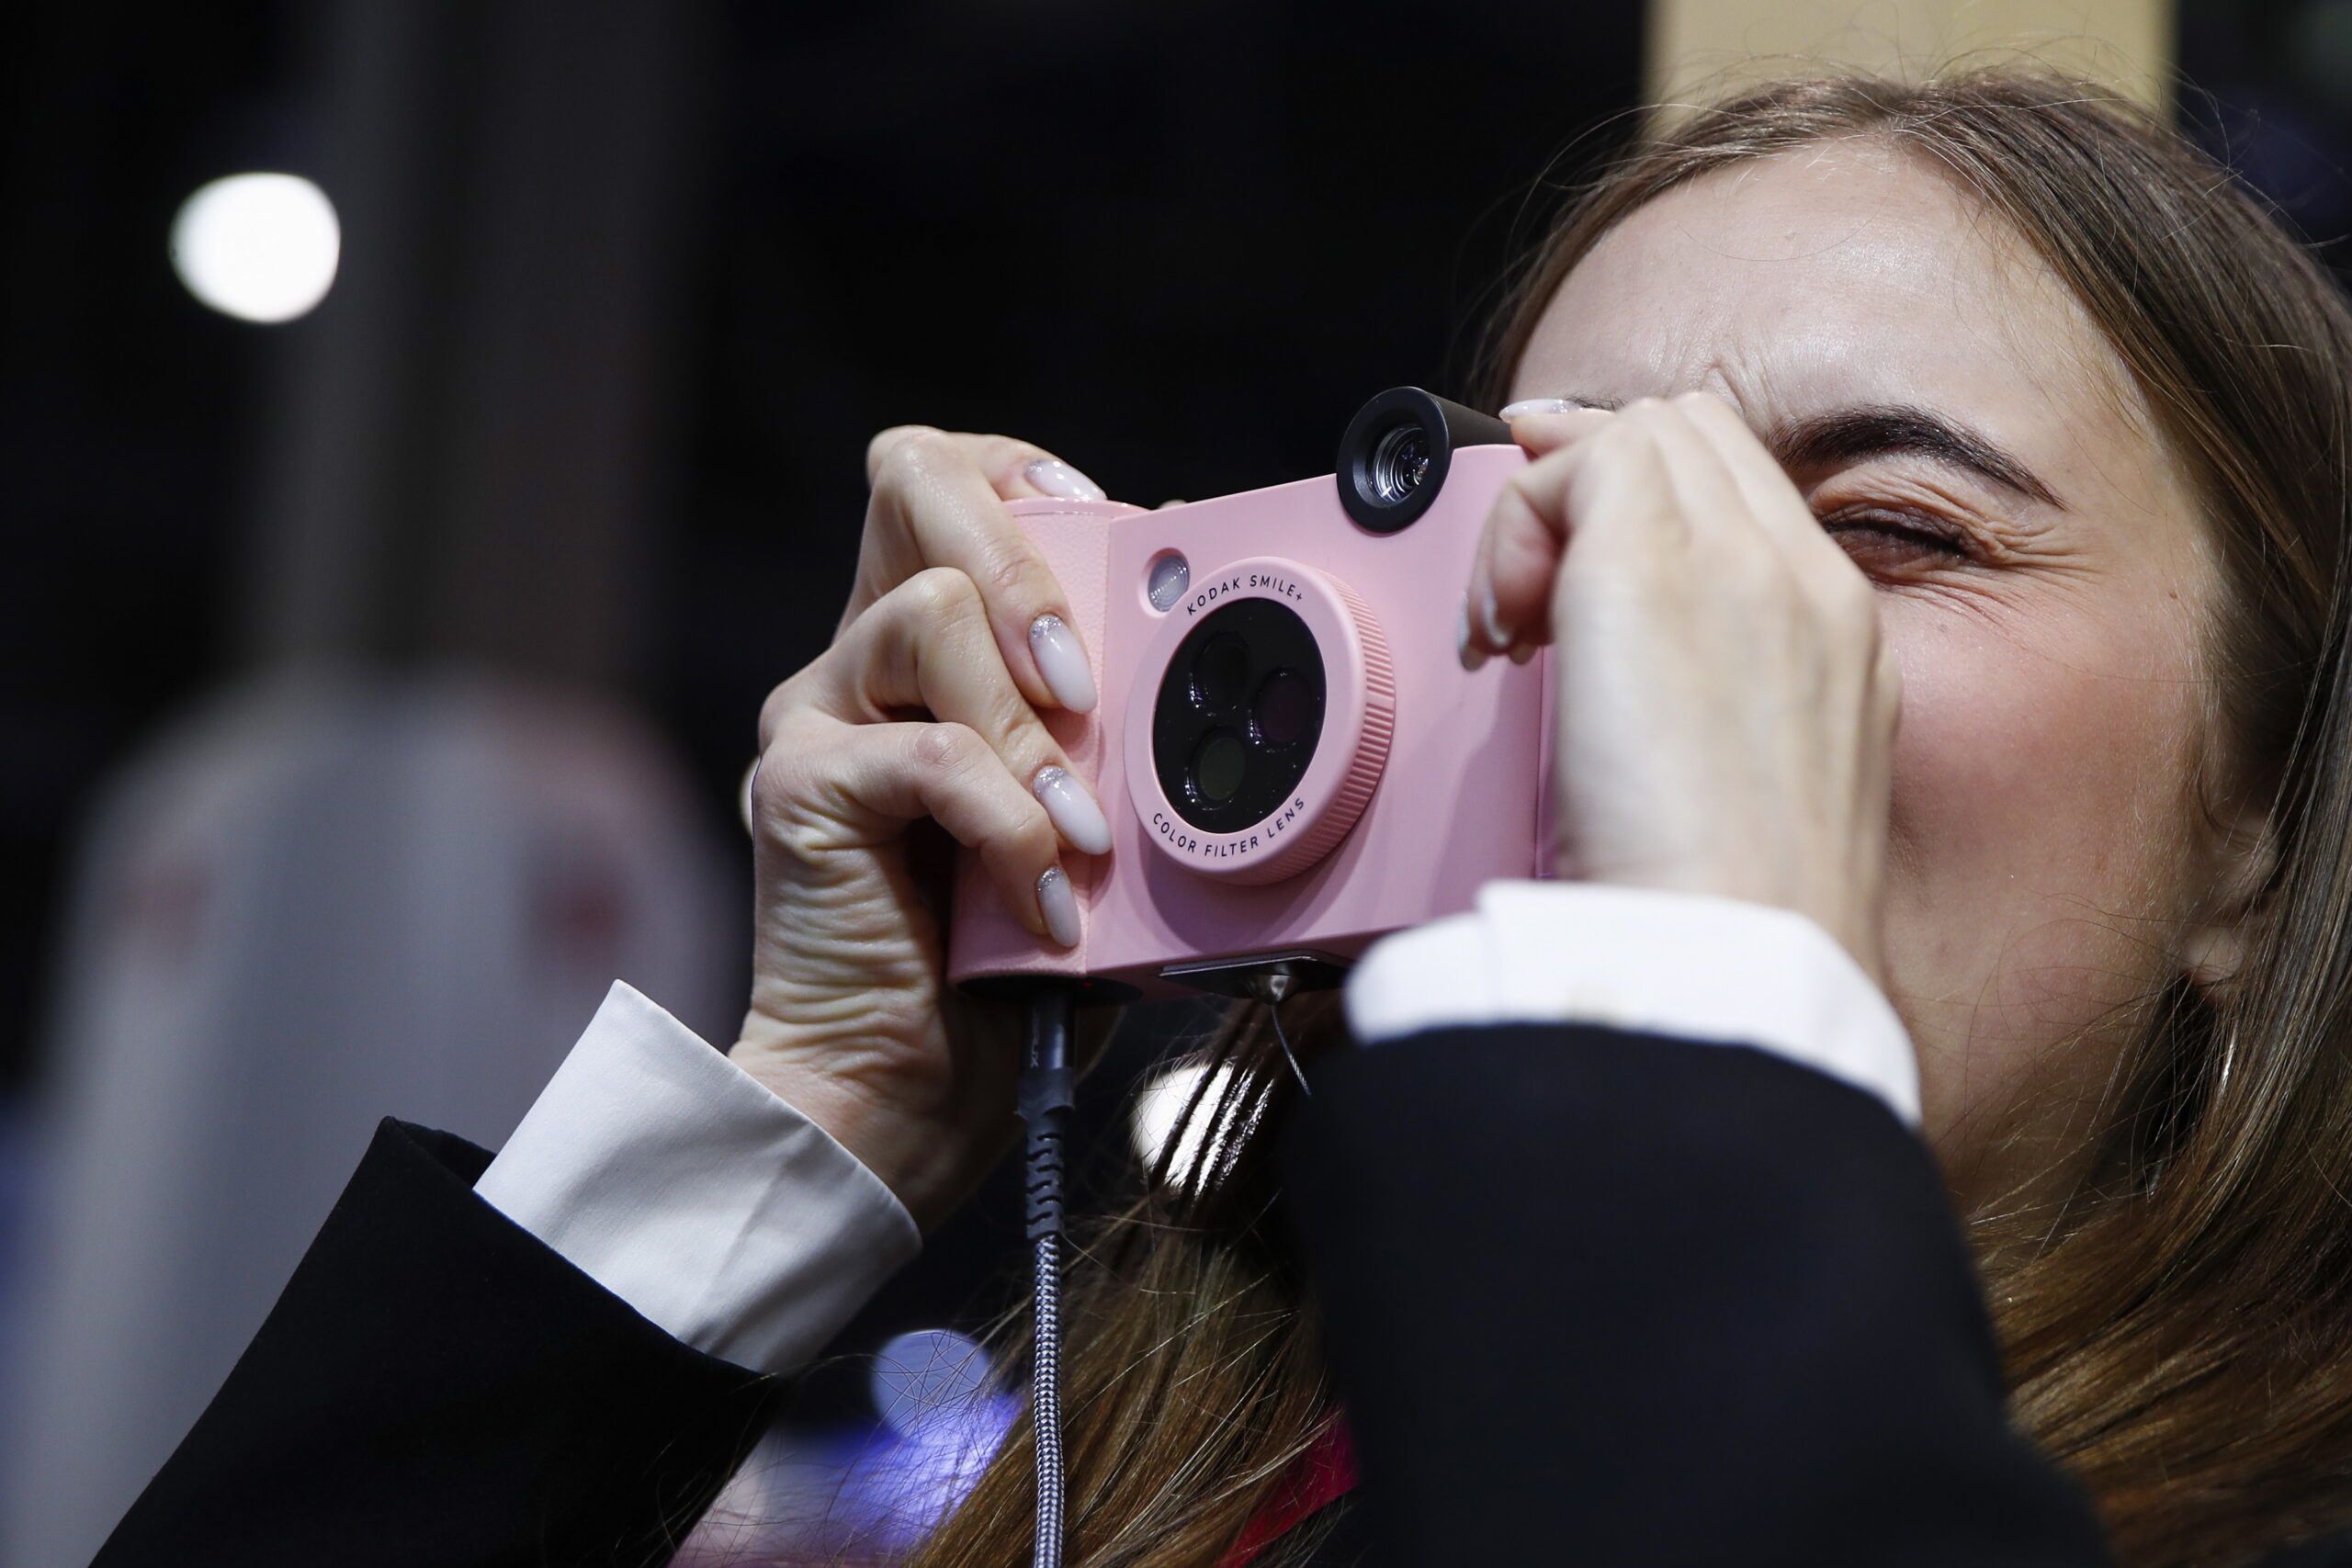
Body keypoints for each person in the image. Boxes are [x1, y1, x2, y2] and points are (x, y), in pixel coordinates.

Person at [88, 69, 2352, 1568]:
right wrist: (799, 1126)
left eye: (1881, 531)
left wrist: (1693, 1006)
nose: (1633, 632)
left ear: (2256, 831)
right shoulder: (1184, 1499)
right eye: (1537, 521)